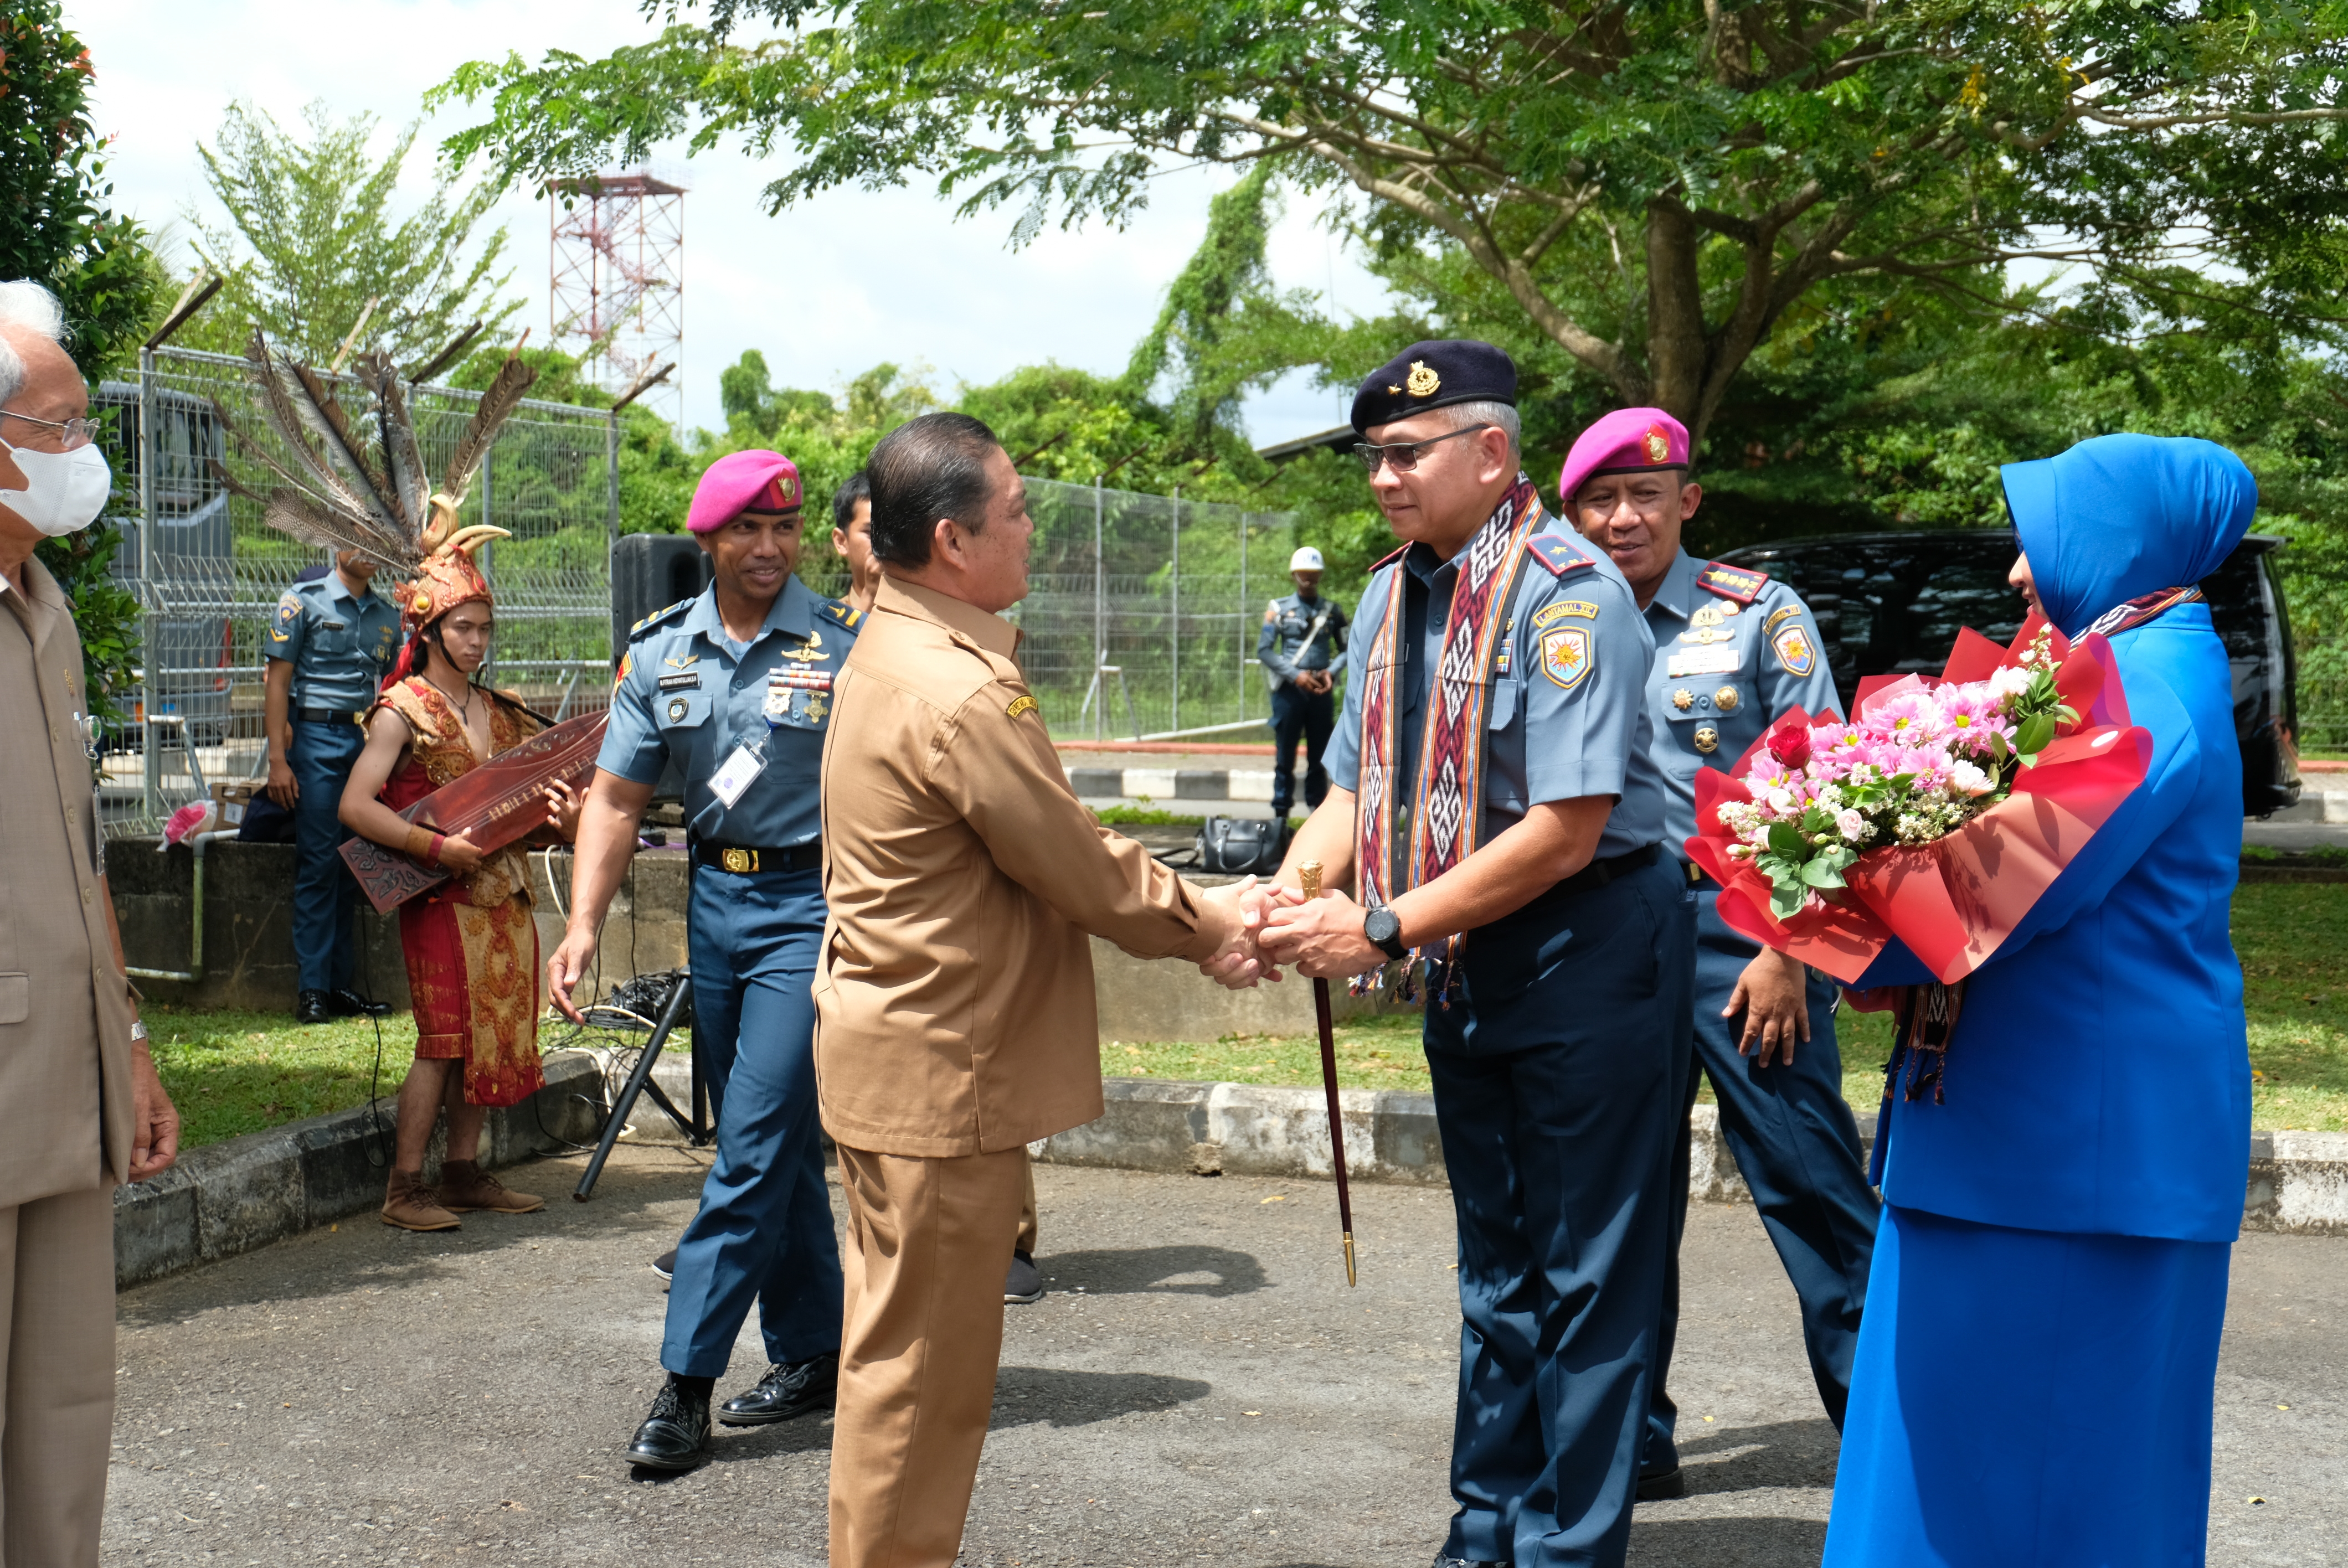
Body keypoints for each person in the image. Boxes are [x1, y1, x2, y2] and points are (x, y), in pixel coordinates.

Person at [1255, 342, 1692, 1568]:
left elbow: (1564, 831)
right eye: (1372, 459)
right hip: (1469, 959)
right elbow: (1354, 785)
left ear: (1490, 454)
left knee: (1585, 1274)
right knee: (1494, 1266)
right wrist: (1291, 896)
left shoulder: (1568, 593)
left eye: (1405, 454)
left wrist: (1384, 925)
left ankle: (1563, 1546)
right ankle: (1484, 1528)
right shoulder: (1391, 595)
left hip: (1585, 946)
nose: (1382, 480)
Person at [815, 411, 1263, 1567]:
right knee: (919, 1389)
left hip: (896, 1050)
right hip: (935, 1071)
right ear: (955, 542)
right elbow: (1071, 862)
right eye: (1016, 513)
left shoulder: (901, 646)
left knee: (894, 1367)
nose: (1033, 532)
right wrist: (1210, 918)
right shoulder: (956, 690)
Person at [1824, 435, 2257, 1567]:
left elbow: (2006, 890)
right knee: (1981, 1475)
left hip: (2069, 1163)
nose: (2018, 572)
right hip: (2026, 1145)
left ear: (2123, 539)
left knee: (2026, 1492)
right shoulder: (2111, 656)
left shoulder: (2145, 682)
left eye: (2042, 540)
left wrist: (1839, 925)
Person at [1563, 406, 1880, 1499]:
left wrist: (1786, 947)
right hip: (1606, 948)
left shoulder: (1755, 615)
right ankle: (1628, 1447)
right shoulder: (1553, 624)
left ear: (1685, 502)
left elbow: (1821, 786)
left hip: (1740, 943)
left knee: (1812, 1188)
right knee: (1619, 1209)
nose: (1620, 518)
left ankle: (1888, 1441)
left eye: (1643, 496)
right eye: (1598, 499)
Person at [548, 449, 863, 1471]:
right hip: (713, 904)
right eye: (747, 532)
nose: (769, 549)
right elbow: (619, 798)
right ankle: (816, 1347)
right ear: (709, 541)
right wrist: (584, 924)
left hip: (810, 908)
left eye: (786, 529)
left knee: (751, 1145)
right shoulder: (660, 655)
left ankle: (686, 1382)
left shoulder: (844, 648)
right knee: (763, 1139)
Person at [0, 276, 181, 1566]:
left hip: (63, 1066)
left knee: (66, 1400)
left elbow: (81, 853)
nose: (84, 461)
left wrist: (128, 1038)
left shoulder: (46, 611)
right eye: (57, 433)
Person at [339, 535, 581, 1232]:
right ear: (428, 629)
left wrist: (560, 824)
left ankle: (463, 1173)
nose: (476, 642)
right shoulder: (401, 707)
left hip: (504, 892)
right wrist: (433, 847)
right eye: (462, 628)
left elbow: (520, 811)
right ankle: (404, 1186)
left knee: (490, 1036)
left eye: (484, 628)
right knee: (442, 1041)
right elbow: (355, 807)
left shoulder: (500, 708)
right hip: (439, 895)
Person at [263, 542, 401, 1024]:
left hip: (366, 741)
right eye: (357, 539)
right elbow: (276, 682)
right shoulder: (301, 602)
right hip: (316, 737)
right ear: (336, 542)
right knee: (320, 862)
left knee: (353, 864)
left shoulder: (389, 615)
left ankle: (340, 986)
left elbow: (396, 680)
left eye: (375, 543)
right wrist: (278, 760)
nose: (368, 552)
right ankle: (313, 991)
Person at [1257, 544, 1350, 817]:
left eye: (1314, 573)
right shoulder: (1278, 609)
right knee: (1285, 756)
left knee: (1319, 757)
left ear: (1320, 575)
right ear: (1293, 575)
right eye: (1303, 573)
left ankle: (1317, 814)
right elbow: (1264, 650)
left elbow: (1347, 649)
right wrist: (1294, 675)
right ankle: (1280, 818)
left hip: (1320, 691)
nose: (1308, 578)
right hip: (1290, 691)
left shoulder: (1333, 611)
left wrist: (1331, 672)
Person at [829, 469, 882, 614]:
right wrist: (870, 596)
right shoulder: (823, 624)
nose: (885, 543)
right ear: (841, 541)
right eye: (871, 533)